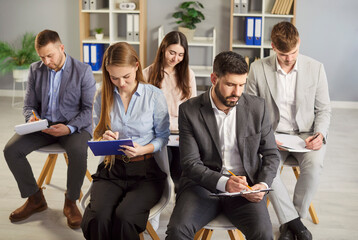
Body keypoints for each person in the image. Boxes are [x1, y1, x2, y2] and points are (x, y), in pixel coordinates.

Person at [166, 51, 280, 240]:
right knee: (177, 231)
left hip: (247, 189)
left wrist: (262, 184)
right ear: (214, 78)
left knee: (264, 234)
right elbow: (190, 163)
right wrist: (224, 183)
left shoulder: (257, 107)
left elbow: (271, 154)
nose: (237, 92)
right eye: (230, 85)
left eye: (242, 85)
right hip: (201, 187)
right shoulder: (189, 110)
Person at [3, 29, 96, 229]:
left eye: (50, 55)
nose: (46, 61)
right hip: (43, 126)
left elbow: (88, 111)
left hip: (74, 126)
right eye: (42, 57)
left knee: (79, 151)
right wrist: (31, 118)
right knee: (11, 150)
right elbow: (28, 105)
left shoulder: (83, 70)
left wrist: (69, 128)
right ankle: (36, 199)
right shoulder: (35, 70)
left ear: (61, 48)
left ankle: (71, 202)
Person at [246, 21, 331, 240]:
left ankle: (293, 221)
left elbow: (324, 110)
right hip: (271, 136)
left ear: (299, 43)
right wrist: (267, 137)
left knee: (314, 166)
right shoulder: (257, 69)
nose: (289, 58)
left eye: (293, 52)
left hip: (306, 135)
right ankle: (294, 225)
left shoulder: (316, 68)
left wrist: (320, 134)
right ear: (273, 47)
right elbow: (250, 111)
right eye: (284, 54)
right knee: (265, 168)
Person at [81, 42, 170, 240]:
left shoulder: (154, 96)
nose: (121, 83)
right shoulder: (102, 95)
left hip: (146, 173)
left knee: (124, 218)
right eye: (114, 77)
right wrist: (104, 137)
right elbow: (97, 132)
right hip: (112, 169)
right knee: (98, 218)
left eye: (126, 77)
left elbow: (163, 137)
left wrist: (143, 149)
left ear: (136, 66)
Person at [143, 30, 197, 190]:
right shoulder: (147, 74)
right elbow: (144, 111)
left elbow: (192, 108)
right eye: (172, 53)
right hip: (158, 132)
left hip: (181, 132)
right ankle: (161, 197)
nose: (175, 58)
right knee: (163, 168)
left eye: (180, 54)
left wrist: (187, 131)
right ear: (163, 50)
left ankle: (181, 199)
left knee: (181, 170)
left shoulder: (188, 74)